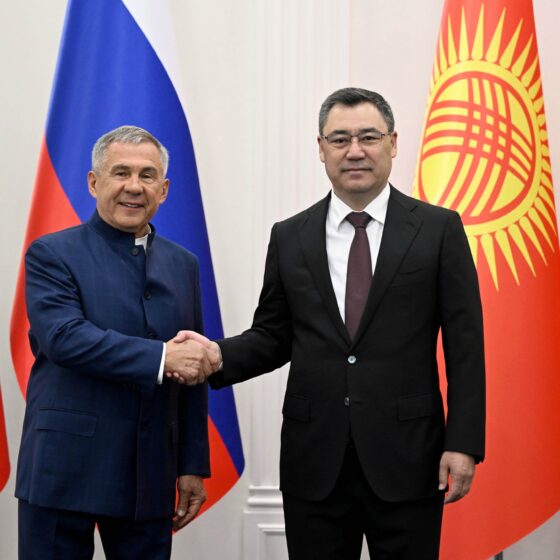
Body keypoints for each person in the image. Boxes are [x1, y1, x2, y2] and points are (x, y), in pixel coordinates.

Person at [176, 87, 486, 559]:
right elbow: (274, 336)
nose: (354, 150)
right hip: (314, 461)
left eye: (368, 137)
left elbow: (465, 346)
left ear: (393, 143)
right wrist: (218, 355)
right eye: (340, 139)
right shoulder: (290, 236)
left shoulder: (439, 229)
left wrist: (463, 443)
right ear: (321, 149)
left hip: (409, 458)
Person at [16, 126, 212, 560]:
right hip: (64, 471)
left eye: (147, 175)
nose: (133, 187)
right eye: (121, 172)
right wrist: (162, 356)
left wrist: (192, 464)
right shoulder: (52, 253)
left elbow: (191, 368)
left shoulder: (184, 264)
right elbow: (65, 338)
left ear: (164, 190)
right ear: (94, 182)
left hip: (149, 473)